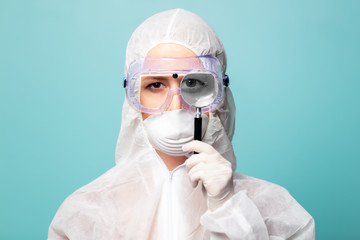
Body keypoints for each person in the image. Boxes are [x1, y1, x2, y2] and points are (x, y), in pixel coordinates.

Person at [48, 9, 315, 239]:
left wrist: (229, 208)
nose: (175, 105)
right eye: (155, 85)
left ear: (220, 95)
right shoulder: (85, 212)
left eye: (194, 83)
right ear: (132, 98)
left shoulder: (278, 212)